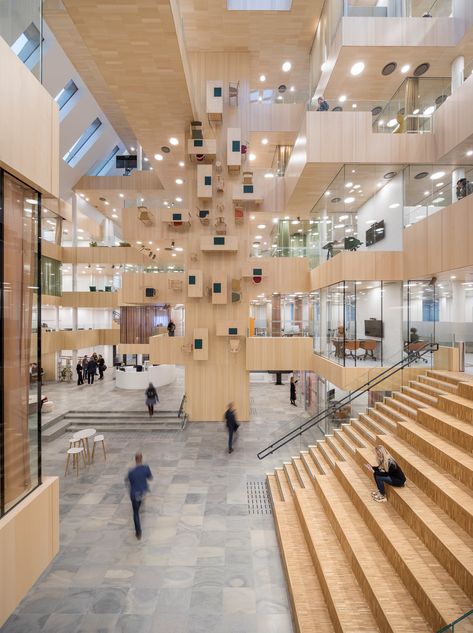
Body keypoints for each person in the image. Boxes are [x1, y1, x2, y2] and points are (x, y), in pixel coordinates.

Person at [126, 452, 153, 540]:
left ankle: (138, 532)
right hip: (142, 493)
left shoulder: (131, 472)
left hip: (134, 494)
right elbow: (150, 477)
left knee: (135, 513)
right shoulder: (146, 468)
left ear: (135, 460)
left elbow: (128, 481)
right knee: (139, 504)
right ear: (141, 459)